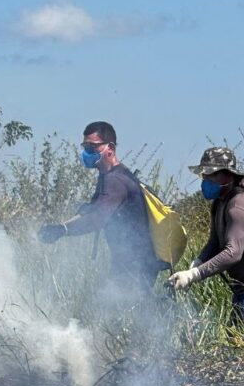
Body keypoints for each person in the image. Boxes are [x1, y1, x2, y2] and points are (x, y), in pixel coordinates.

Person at [168, 147, 244, 336]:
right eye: (203, 175)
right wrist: (197, 263)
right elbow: (214, 243)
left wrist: (195, 274)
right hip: (243, 290)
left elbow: (233, 252)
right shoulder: (220, 203)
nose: (205, 181)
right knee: (237, 349)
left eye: (210, 175)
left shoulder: (240, 204)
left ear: (227, 176)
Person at [38, 121, 161, 298]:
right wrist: (61, 225)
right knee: (116, 310)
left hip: (137, 263)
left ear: (109, 148)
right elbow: (93, 211)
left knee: (121, 311)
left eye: (92, 147)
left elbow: (97, 218)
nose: (86, 153)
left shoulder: (116, 180)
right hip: (127, 261)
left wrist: (62, 230)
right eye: (84, 147)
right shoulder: (107, 176)